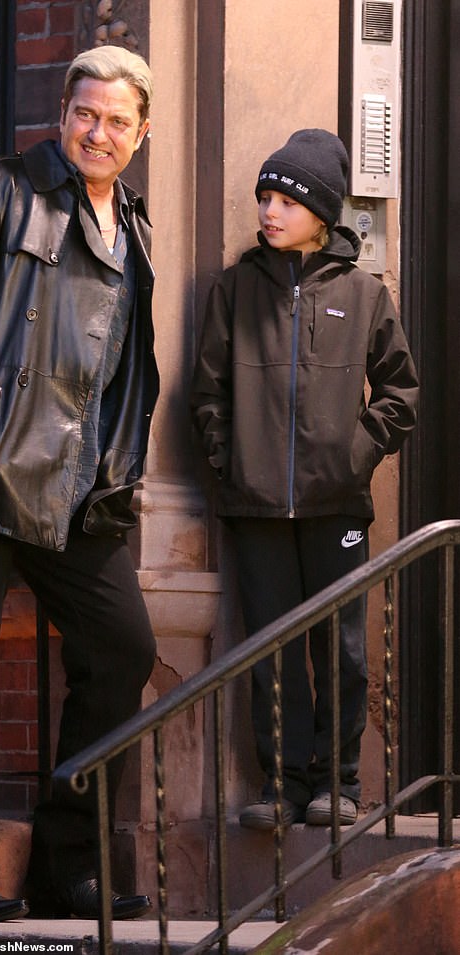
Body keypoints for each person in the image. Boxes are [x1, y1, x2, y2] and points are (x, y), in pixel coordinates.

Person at [0, 45, 159, 921]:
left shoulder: (139, 228)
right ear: (63, 114)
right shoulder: (1, 187)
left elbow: (124, 366)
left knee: (123, 649)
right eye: (86, 113)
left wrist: (120, 469)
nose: (99, 131)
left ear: (141, 133)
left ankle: (65, 859)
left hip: (85, 490)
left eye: (117, 120)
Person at [191, 129, 418, 831]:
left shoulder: (363, 294)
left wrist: (354, 455)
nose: (269, 211)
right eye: (264, 196)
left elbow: (401, 395)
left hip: (336, 504)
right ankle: (280, 784)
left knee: (343, 647)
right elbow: (207, 392)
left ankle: (340, 783)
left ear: (320, 212)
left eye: (284, 199)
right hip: (256, 506)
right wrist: (232, 462)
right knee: (272, 648)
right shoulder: (235, 289)